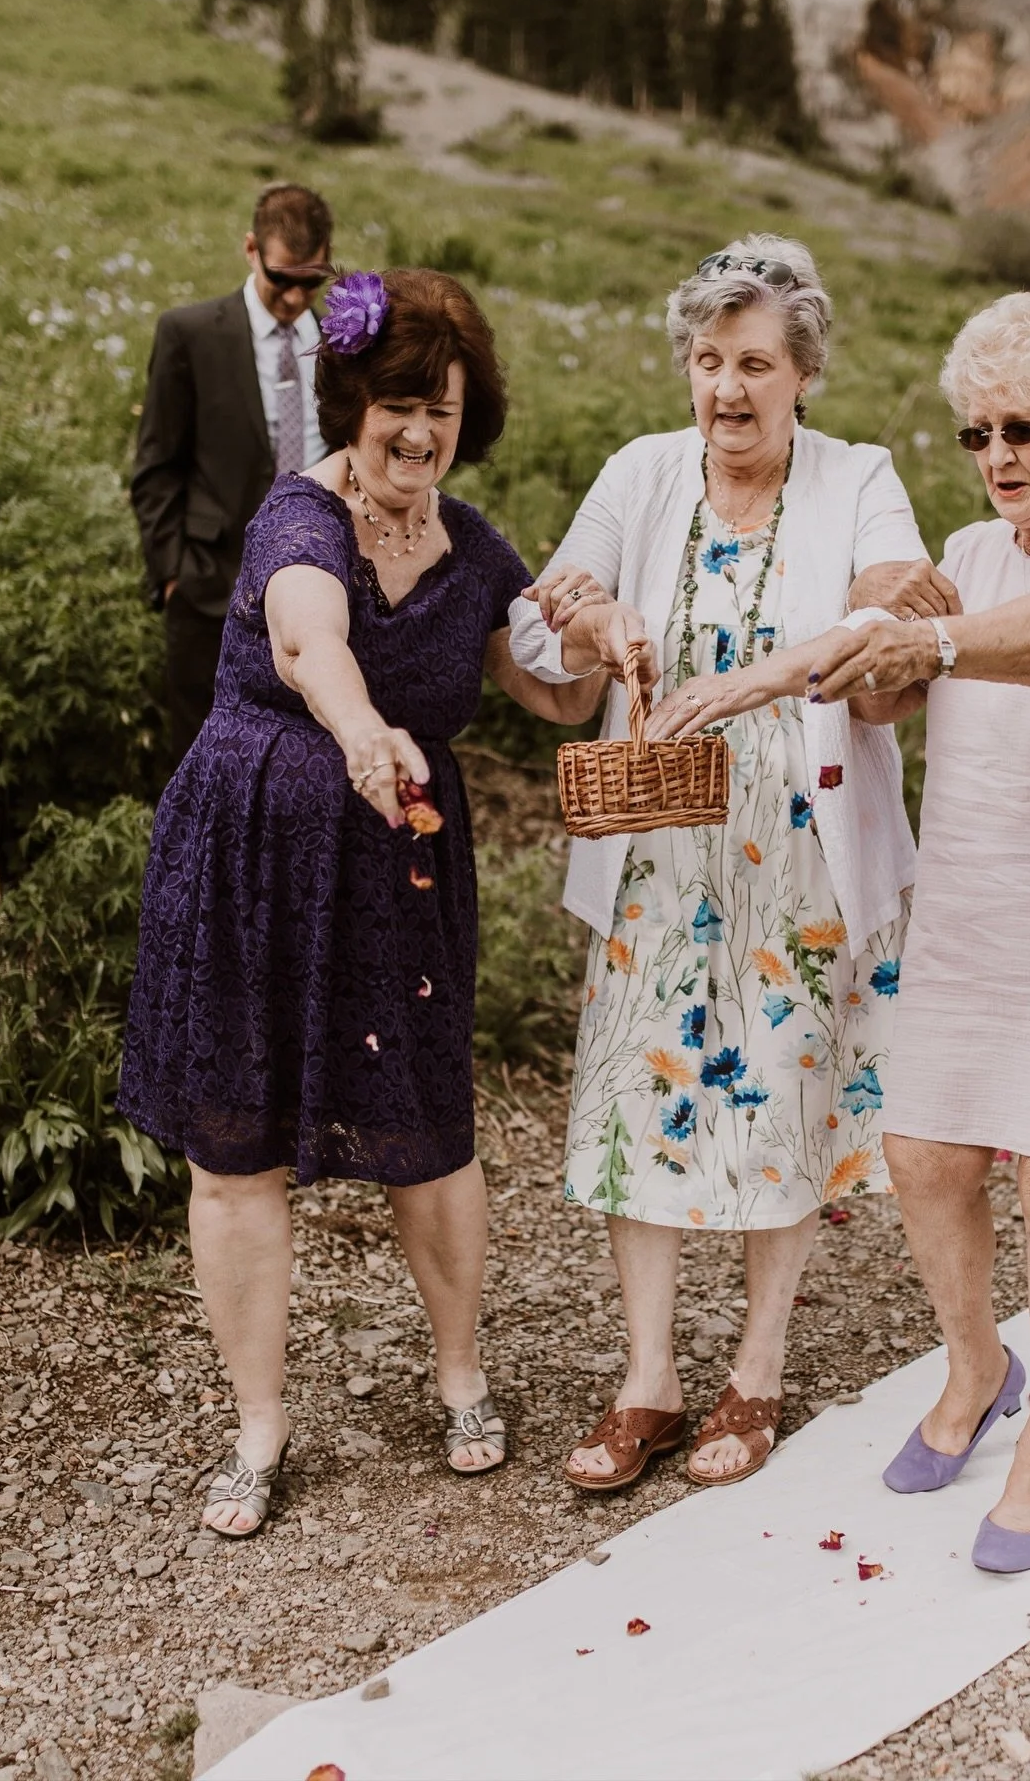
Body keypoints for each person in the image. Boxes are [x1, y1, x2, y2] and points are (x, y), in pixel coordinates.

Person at [677, 288, 1030, 1570]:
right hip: (981, 900)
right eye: (975, 437)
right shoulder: (966, 560)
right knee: (923, 1153)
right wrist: (839, 663)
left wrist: (917, 637)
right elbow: (887, 696)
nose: (997, 460)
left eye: (1022, 429)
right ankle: (979, 1366)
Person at [119, 268, 640, 1536]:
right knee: (237, 1154)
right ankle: (258, 1423)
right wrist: (360, 730)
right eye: (399, 404)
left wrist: (602, 637)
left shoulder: (478, 551)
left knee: (431, 1131)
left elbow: (556, 697)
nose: (418, 433)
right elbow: (310, 639)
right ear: (353, 401)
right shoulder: (300, 518)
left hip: (401, 871)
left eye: (443, 412)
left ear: (469, 423)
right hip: (256, 854)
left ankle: (461, 1372)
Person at [509, 235, 949, 1492]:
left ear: (803, 373)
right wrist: (603, 619)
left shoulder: (858, 474)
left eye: (755, 361)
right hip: (659, 851)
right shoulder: (644, 472)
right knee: (643, 1100)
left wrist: (804, 650)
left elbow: (887, 609)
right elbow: (556, 608)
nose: (727, 387)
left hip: (798, 850)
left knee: (788, 1095)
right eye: (708, 360)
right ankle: (648, 1377)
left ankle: (756, 1368)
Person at [130, 182, 335, 763]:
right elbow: (155, 468)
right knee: (198, 762)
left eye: (311, 281)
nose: (296, 298)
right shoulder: (189, 334)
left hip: (317, 591)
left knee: (298, 763)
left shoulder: (341, 347)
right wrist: (173, 576)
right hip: (209, 588)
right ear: (251, 250)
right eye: (282, 279)